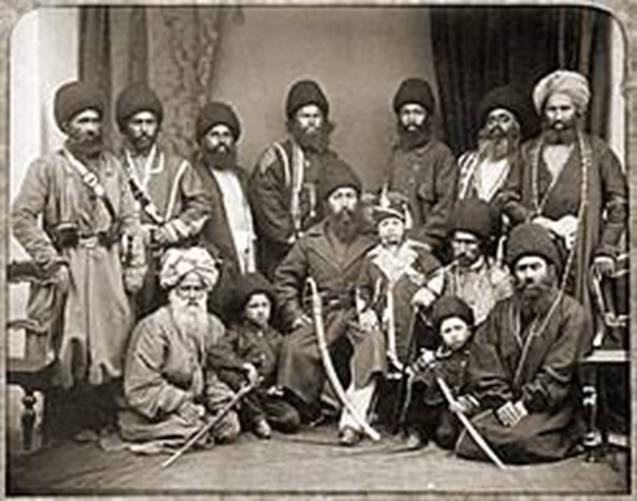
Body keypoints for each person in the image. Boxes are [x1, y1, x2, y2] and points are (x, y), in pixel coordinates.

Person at [11, 80, 145, 437]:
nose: (91, 128)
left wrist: (134, 266)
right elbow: (21, 218)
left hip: (107, 266)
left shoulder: (113, 166)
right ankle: (64, 426)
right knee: (71, 341)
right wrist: (51, 262)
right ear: (65, 126)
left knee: (113, 338)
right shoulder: (47, 168)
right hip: (68, 267)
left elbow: (130, 219)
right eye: (82, 121)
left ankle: (103, 419)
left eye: (95, 120)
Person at [499, 70, 628, 351]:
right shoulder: (527, 152)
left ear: (578, 111)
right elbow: (506, 198)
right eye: (552, 110)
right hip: (538, 248)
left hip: (583, 248)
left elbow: (618, 204)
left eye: (564, 109)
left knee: (580, 330)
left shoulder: (598, 151)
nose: (558, 117)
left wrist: (606, 249)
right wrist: (536, 221)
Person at [274, 158, 386, 446]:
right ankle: (309, 407)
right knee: (295, 347)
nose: (345, 204)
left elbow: (387, 279)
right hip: (321, 314)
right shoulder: (309, 240)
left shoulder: (373, 239)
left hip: (358, 312)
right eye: (338, 197)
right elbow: (285, 278)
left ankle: (354, 418)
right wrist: (294, 314)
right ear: (326, 203)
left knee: (373, 343)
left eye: (350, 196)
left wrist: (373, 311)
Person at [455, 223, 588, 464]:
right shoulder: (501, 311)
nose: (528, 276)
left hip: (550, 406)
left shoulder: (571, 313)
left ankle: (568, 438)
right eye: (521, 269)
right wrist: (502, 401)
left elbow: (560, 370)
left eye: (535, 267)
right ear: (514, 275)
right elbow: (484, 359)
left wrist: (525, 404)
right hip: (508, 404)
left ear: (550, 269)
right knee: (470, 436)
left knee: (520, 440)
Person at [119, 247, 240, 451]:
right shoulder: (154, 327)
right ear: (172, 292)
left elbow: (215, 374)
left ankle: (199, 425)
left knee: (229, 426)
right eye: (185, 289)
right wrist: (181, 404)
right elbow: (141, 386)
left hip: (197, 407)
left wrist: (220, 402)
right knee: (194, 430)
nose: (192, 296)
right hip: (153, 411)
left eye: (198, 289)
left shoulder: (213, 325)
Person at [115, 82, 211, 318]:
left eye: (150, 122)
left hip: (167, 258)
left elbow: (202, 205)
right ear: (124, 127)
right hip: (123, 260)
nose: (144, 129)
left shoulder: (177, 167)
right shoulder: (111, 167)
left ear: (158, 126)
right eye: (137, 123)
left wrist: (173, 230)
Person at [249, 79, 341, 279]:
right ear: (292, 122)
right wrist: (296, 240)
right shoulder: (275, 158)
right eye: (305, 116)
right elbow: (267, 206)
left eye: (316, 116)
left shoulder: (331, 160)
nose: (311, 122)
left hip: (322, 254)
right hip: (282, 255)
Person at [356, 190, 441, 372]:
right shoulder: (372, 258)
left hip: (413, 313)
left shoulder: (418, 253)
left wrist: (429, 292)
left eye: (395, 223)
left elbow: (437, 273)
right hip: (384, 316)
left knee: (415, 348)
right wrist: (365, 311)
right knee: (382, 350)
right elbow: (363, 288)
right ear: (378, 230)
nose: (390, 228)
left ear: (404, 226)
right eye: (385, 224)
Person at [207, 272, 301, 439]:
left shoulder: (276, 337)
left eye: (264, 306)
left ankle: (252, 418)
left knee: (291, 420)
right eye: (254, 306)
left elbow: (284, 363)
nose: (260, 311)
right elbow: (217, 352)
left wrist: (279, 385)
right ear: (244, 310)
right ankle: (257, 420)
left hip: (266, 394)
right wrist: (245, 366)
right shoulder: (236, 333)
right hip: (245, 389)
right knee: (234, 378)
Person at [193, 101, 257, 319]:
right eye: (214, 135)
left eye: (226, 135)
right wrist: (213, 255)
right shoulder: (193, 175)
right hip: (215, 264)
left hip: (246, 257)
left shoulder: (242, 177)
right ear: (202, 140)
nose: (221, 141)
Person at [385, 78, 458, 255]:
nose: (411, 119)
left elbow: (445, 207)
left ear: (428, 117)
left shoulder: (441, 155)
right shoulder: (396, 155)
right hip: (397, 245)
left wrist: (424, 241)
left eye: (417, 112)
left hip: (430, 247)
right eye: (405, 113)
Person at [403, 296, 478, 450]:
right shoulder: (438, 355)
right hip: (437, 404)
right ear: (441, 336)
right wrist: (424, 364)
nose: (454, 335)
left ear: (469, 331)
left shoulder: (476, 355)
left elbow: (480, 381)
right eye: (447, 331)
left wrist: (469, 401)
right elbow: (414, 372)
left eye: (458, 328)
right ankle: (417, 430)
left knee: (447, 437)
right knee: (421, 382)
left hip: (461, 404)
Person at [439, 199, 512, 326]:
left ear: (482, 244)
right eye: (457, 242)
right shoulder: (445, 276)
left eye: (469, 243)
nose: (462, 249)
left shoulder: (498, 278)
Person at [457, 85, 532, 202]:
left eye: (504, 119)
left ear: (517, 127)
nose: (496, 126)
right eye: (491, 120)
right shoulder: (466, 162)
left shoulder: (526, 161)